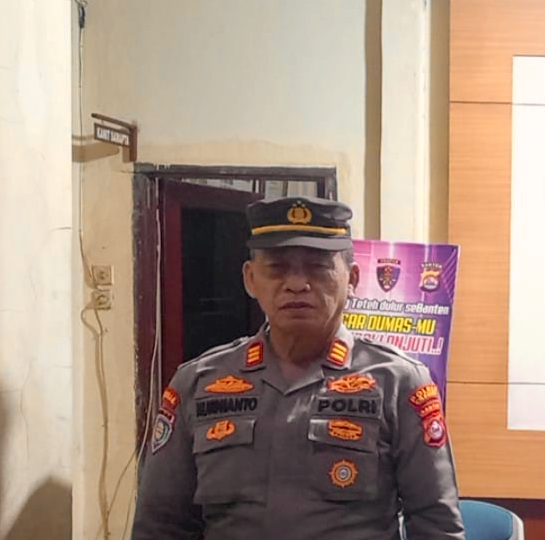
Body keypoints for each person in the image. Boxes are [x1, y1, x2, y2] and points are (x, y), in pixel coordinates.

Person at [132, 196, 466, 540]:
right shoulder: (198, 383)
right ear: (250, 279)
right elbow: (161, 526)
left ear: (352, 279)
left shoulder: (399, 382)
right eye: (277, 268)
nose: (296, 284)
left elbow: (436, 526)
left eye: (318, 267)